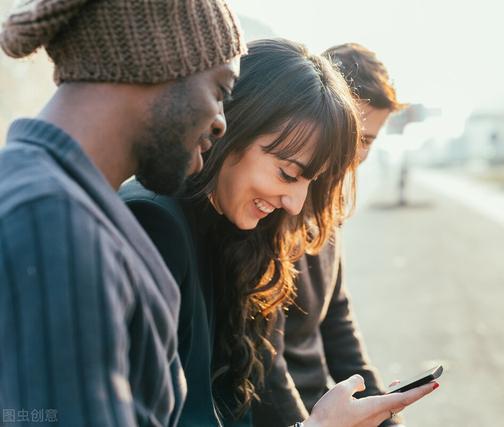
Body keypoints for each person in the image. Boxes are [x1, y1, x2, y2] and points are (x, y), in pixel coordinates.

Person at [120, 38, 436, 427]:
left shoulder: (230, 226)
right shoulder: (155, 224)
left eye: (312, 181)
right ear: (229, 127)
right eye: (288, 173)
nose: (296, 204)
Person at [0, 1, 244, 425]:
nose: (221, 122)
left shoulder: (66, 204)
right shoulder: (52, 219)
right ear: (160, 59)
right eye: (220, 91)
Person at [253, 43, 427, 427]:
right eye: (354, 135)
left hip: (324, 409)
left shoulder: (327, 201)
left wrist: (382, 412)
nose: (355, 153)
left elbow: (336, 313)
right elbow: (265, 360)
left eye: (368, 141)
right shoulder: (270, 204)